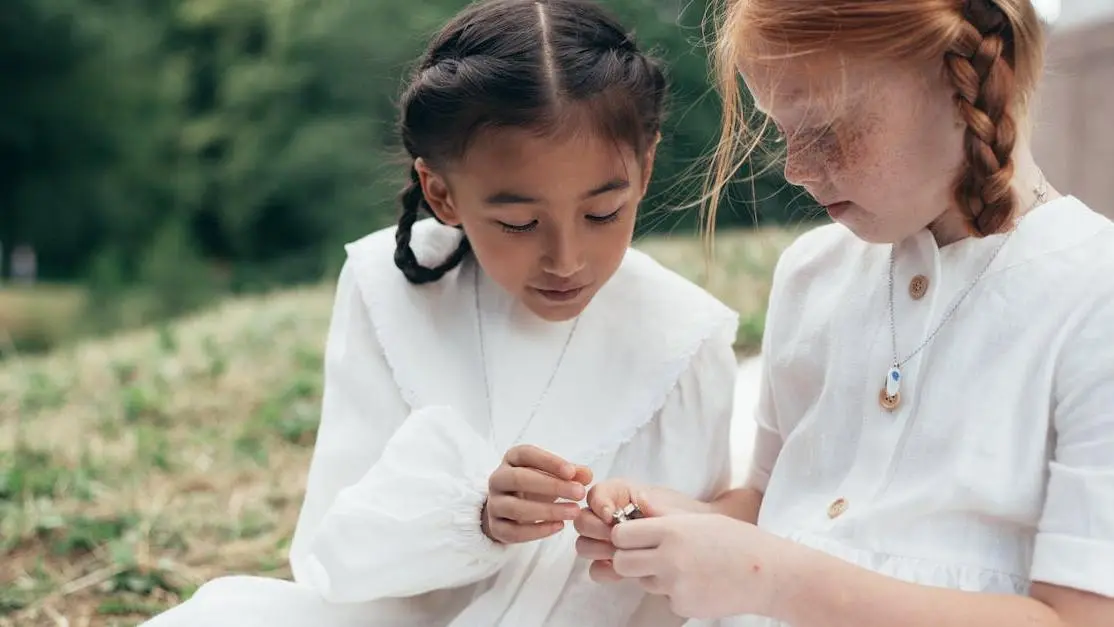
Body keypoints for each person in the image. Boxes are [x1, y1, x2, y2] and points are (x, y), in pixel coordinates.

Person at [141, 1, 740, 626]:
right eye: (518, 223)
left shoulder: (683, 341)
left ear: (643, 170)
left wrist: (632, 527)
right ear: (442, 193)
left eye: (601, 214)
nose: (566, 259)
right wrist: (476, 518)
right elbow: (334, 549)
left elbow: (687, 579)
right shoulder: (388, 290)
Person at [574, 0, 1114, 625]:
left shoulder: (1093, 294)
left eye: (828, 130)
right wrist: (684, 524)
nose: (797, 169)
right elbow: (773, 502)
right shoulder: (813, 273)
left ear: (963, 80)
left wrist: (771, 582)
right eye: (780, 131)